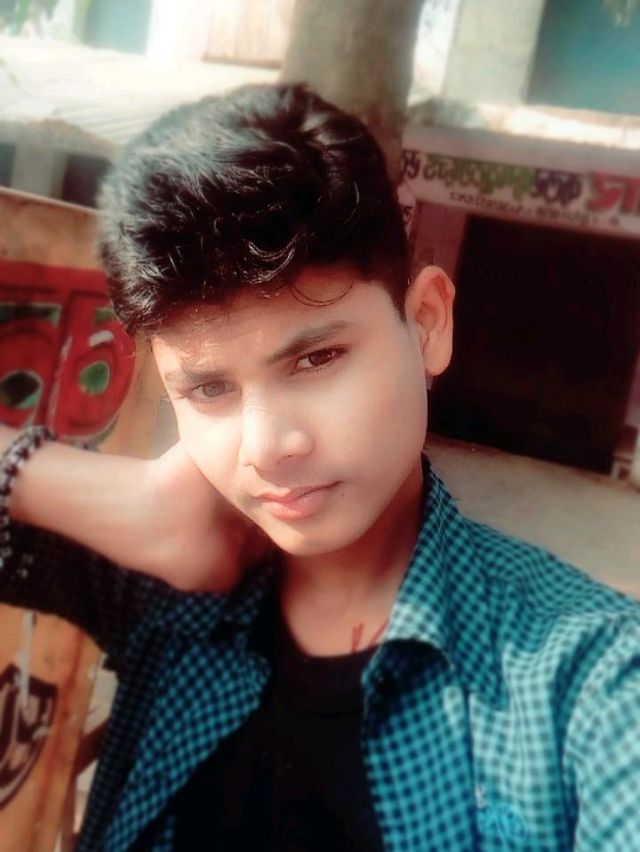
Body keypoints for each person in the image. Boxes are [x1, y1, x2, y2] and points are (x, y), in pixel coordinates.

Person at [1, 83, 638, 852]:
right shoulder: (164, 593)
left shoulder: (593, 680)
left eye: (317, 358)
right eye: (209, 389)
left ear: (427, 323)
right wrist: (104, 495)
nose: (268, 447)